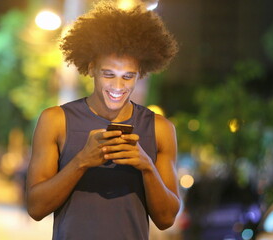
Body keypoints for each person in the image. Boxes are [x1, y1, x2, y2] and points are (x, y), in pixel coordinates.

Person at [26, 2, 180, 239]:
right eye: (108, 74)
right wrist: (82, 161)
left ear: (140, 74)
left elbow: (166, 220)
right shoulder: (56, 120)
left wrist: (146, 166)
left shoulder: (160, 129)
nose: (118, 87)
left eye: (128, 77)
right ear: (91, 68)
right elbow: (36, 208)